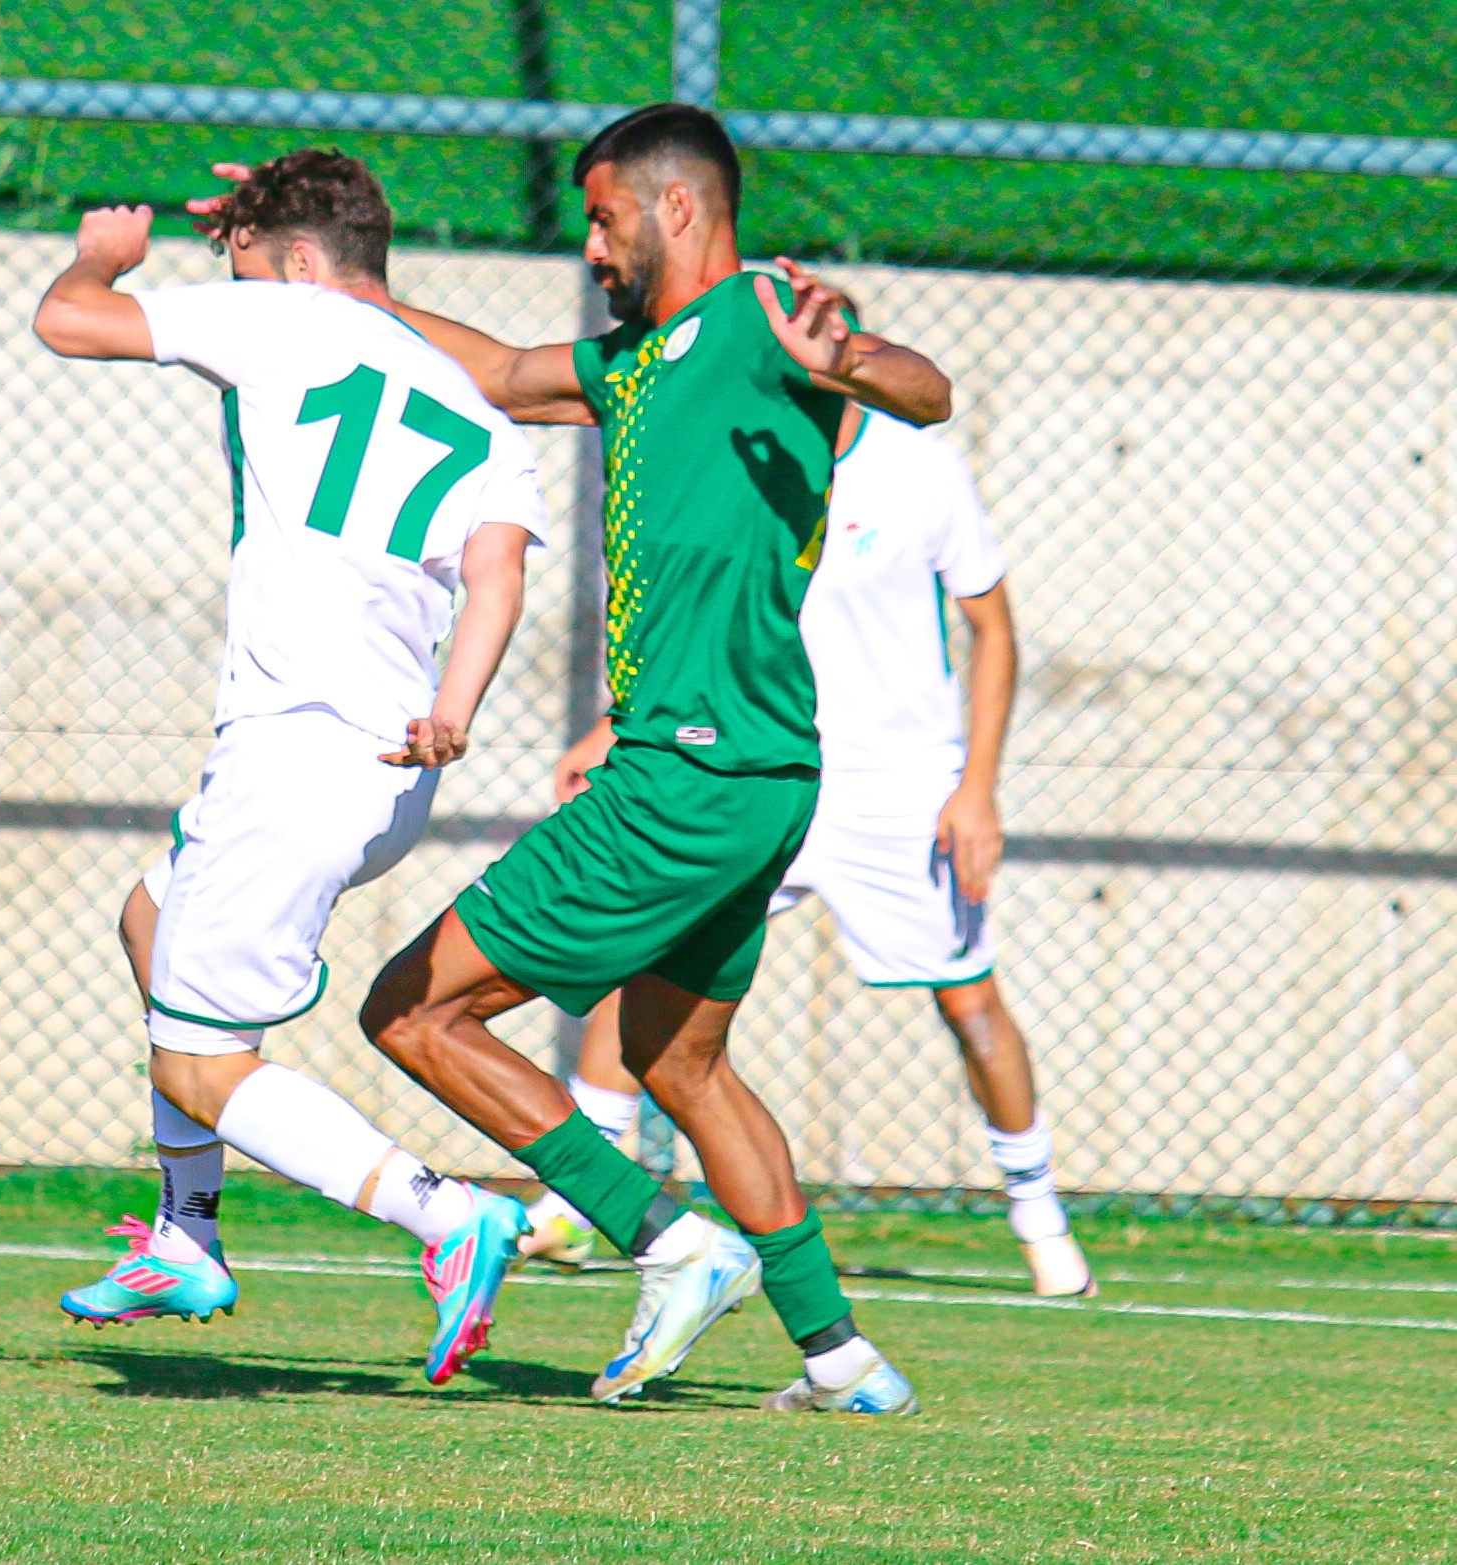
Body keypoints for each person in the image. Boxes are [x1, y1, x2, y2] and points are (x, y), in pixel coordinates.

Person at [356, 102, 952, 1413]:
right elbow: (506, 374)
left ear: (678, 207)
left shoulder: (757, 322)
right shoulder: (638, 359)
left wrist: (844, 356)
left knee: (410, 1008)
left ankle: (669, 1239)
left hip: (682, 778)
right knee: (681, 1063)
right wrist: (349, 300)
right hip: (759, 774)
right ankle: (842, 1356)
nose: (591, 239)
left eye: (606, 212)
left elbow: (926, 388)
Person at [31, 149, 549, 1385]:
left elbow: (70, 320)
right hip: (385, 761)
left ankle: (446, 1213)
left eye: (248, 258)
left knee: (201, 1061)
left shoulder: (288, 318)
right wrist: (454, 709)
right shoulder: (474, 408)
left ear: (303, 266)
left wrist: (110, 248)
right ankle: (185, 1236)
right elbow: (497, 571)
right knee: (152, 916)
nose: (237, 279)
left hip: (296, 752)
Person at [520, 396, 1096, 1299]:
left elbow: (994, 628)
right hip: (760, 765)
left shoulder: (920, 468)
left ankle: (1039, 1213)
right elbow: (699, 618)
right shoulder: (737, 457)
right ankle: (572, 1203)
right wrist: (612, 727)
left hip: (901, 788)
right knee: (647, 954)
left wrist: (976, 785)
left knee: (971, 1001)